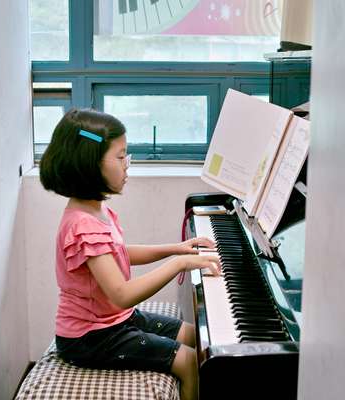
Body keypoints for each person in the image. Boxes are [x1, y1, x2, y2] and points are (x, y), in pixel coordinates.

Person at [39, 108, 221, 400]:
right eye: (121, 156)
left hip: (114, 320)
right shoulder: (82, 225)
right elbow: (121, 294)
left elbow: (120, 253)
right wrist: (180, 263)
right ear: (90, 163)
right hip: (89, 337)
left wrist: (175, 248)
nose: (127, 165)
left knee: (196, 335)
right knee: (188, 361)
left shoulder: (94, 210)